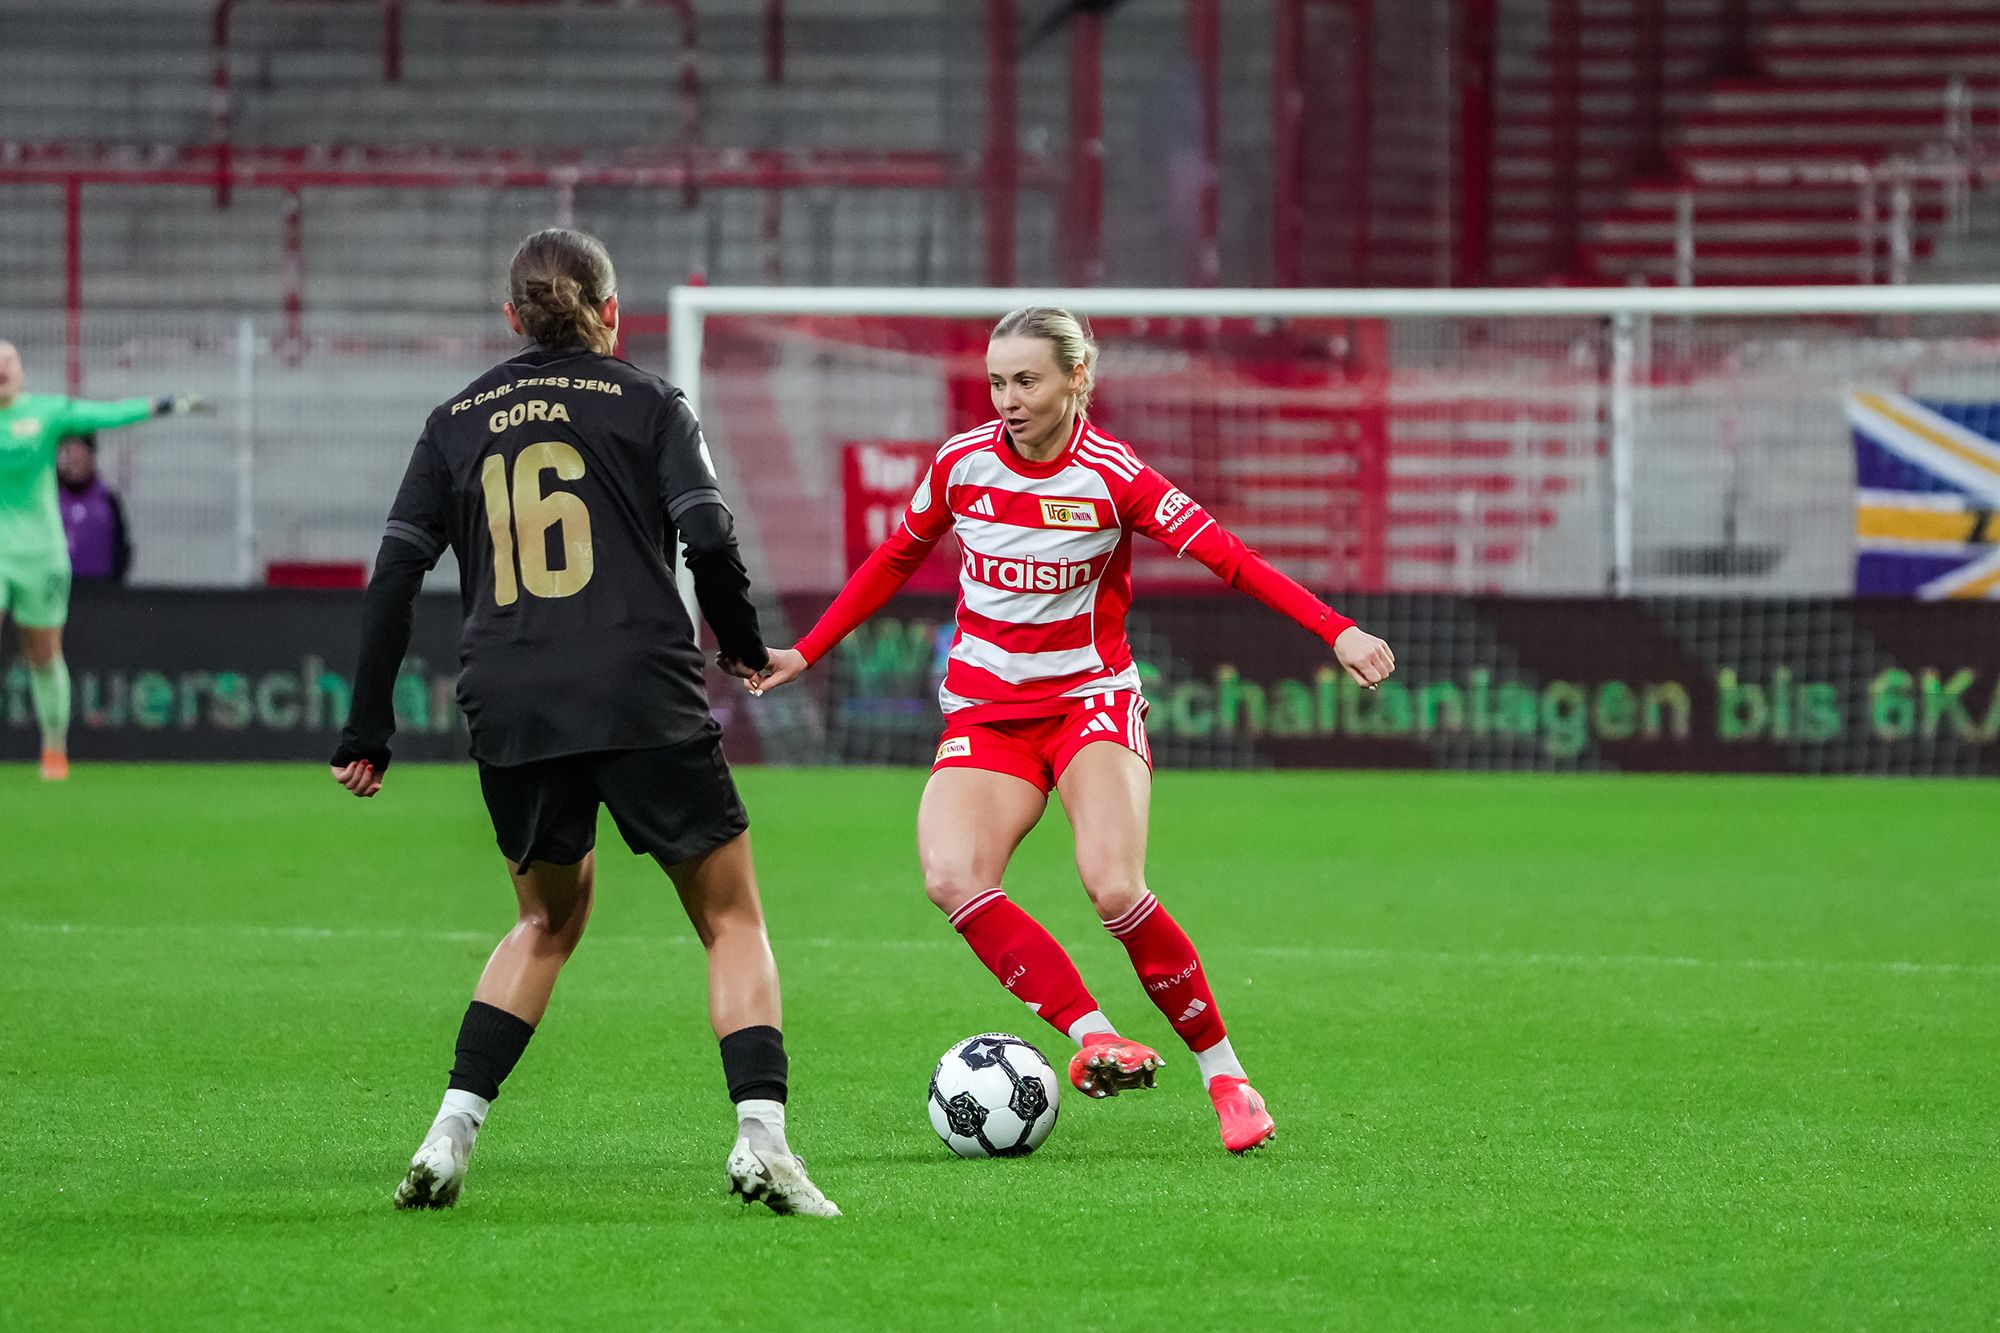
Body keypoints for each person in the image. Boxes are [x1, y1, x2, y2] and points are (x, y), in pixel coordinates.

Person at [750, 307, 1397, 1154]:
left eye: (1027, 380)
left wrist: (1335, 628)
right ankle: (1094, 1033)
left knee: (1114, 888)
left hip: (1088, 703)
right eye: (996, 382)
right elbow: (895, 557)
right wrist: (807, 649)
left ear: (1076, 379)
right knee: (951, 874)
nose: (1007, 399)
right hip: (987, 711)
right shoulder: (961, 463)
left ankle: (1226, 1074)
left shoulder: (1115, 475)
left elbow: (1230, 557)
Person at [329, 228, 837, 1218]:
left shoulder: (454, 419)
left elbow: (394, 574)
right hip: (639, 688)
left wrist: (365, 725)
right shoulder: (647, 401)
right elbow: (707, 533)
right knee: (730, 919)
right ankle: (762, 1140)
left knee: (544, 919)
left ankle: (449, 1131)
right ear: (612, 313)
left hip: (511, 695)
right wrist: (738, 643)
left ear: (511, 319)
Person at [0, 340, 206, 780]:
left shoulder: (46, 413)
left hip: (40, 554)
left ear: (21, 371)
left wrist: (166, 404)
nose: (2, 367)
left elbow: (108, 415)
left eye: (9, 360)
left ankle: (54, 748)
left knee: (42, 655)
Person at [58, 434, 134, 585]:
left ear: (91, 456)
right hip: (57, 590)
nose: (73, 457)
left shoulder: (107, 500)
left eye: (79, 451)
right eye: (69, 452)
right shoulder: (49, 499)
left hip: (99, 592)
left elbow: (122, 547)